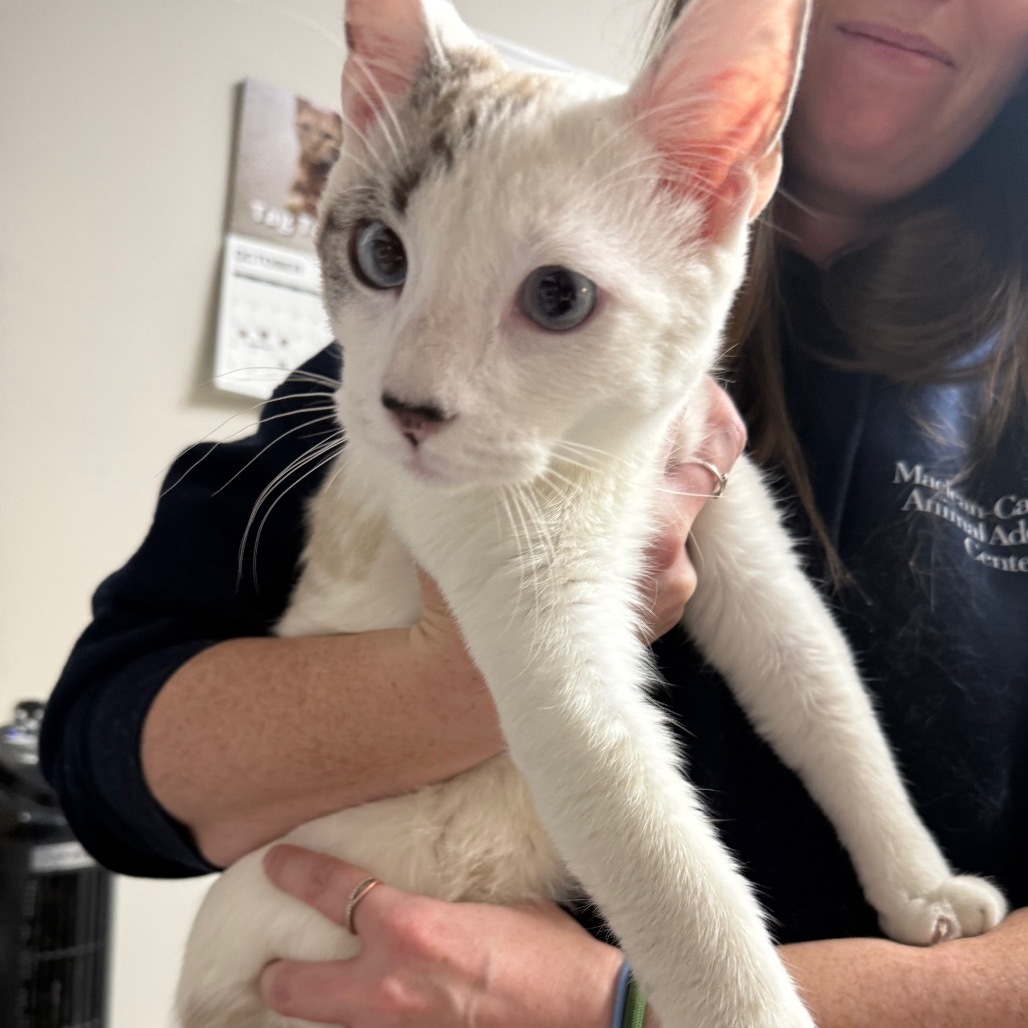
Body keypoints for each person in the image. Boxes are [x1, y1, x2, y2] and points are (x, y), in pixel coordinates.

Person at [41, 0, 1028, 1024]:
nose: (415, 391)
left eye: (554, 298)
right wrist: (449, 674)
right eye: (385, 259)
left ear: (716, 185)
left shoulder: (661, 365)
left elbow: (778, 637)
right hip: (334, 951)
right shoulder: (392, 396)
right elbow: (97, 746)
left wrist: (618, 1001)